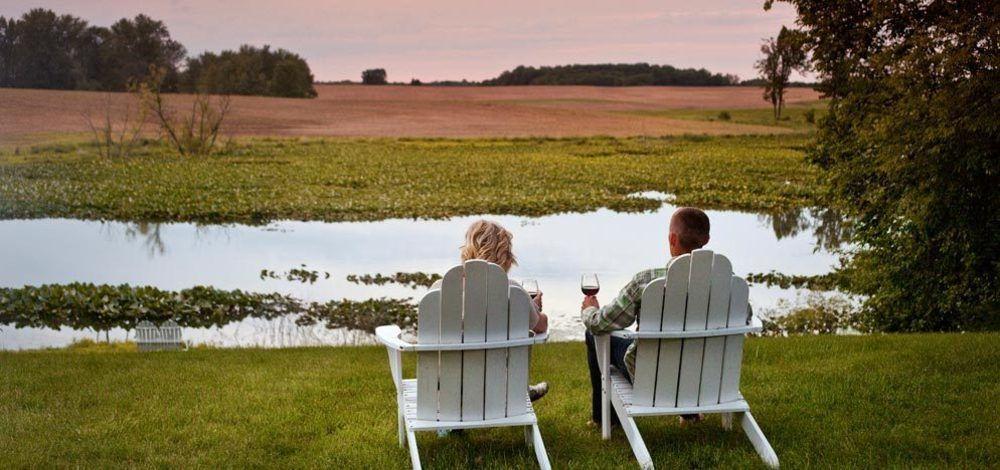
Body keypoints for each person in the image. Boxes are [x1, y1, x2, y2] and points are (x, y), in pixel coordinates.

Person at [580, 207, 712, 427]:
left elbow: (599, 323)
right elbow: (744, 316)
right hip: (701, 378)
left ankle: (604, 419)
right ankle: (690, 414)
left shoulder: (647, 281)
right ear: (706, 240)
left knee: (592, 335)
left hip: (651, 377)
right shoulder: (725, 282)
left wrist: (589, 310)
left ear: (672, 238)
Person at [432, 219, 549, 401]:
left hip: (448, 385)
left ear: (467, 249)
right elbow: (540, 327)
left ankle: (447, 423)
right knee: (523, 334)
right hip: (498, 383)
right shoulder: (513, 290)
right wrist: (534, 308)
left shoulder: (440, 288)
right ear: (506, 255)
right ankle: (521, 390)